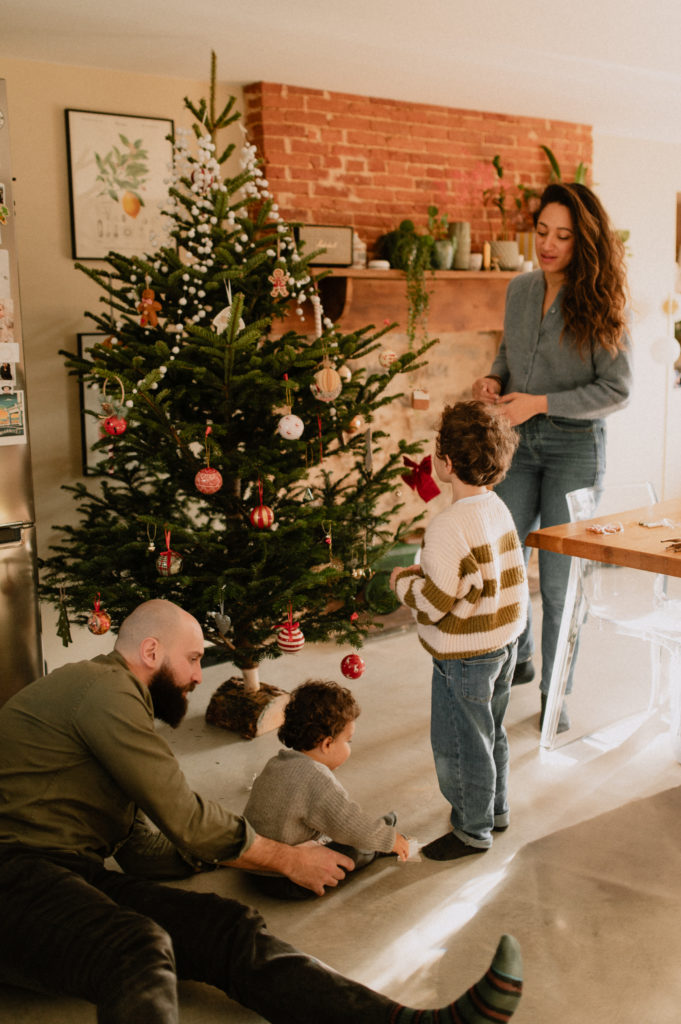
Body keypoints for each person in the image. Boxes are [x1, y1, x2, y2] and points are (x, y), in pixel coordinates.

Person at [0, 598, 524, 1023]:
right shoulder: (105, 692)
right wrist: (283, 858)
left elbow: (146, 846)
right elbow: (182, 813)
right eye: (193, 660)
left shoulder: (109, 703)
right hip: (13, 872)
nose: (199, 677)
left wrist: (224, 854)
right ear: (152, 650)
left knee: (226, 925)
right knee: (134, 944)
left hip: (64, 872)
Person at [472, 182, 633, 733]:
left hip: (573, 448)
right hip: (516, 445)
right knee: (505, 562)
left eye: (563, 236)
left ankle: (553, 694)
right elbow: (507, 353)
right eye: (543, 232)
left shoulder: (601, 300)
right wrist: (494, 380)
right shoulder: (519, 289)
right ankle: (516, 659)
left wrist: (539, 402)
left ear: (583, 243)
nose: (548, 244)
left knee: (560, 581)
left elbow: (617, 390)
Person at [390, 402, 528, 862]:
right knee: (491, 732)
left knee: (459, 745)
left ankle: (472, 829)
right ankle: (496, 809)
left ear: (445, 464)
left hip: (464, 656)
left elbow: (434, 602)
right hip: (503, 642)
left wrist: (401, 583)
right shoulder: (497, 507)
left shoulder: (447, 526)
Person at [244, 678, 409, 898]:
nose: (350, 747)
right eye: (348, 741)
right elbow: (349, 825)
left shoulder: (276, 763)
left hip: (253, 865)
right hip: (287, 879)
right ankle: (380, 842)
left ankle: (380, 830)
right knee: (355, 849)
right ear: (327, 744)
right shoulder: (316, 779)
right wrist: (390, 840)